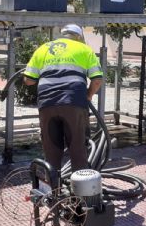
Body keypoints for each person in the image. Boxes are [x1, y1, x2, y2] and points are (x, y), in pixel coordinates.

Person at [23, 24, 103, 172]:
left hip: (47, 104)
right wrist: (88, 95)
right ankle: (79, 193)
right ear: (79, 37)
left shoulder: (43, 49)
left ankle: (53, 191)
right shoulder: (84, 49)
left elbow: (29, 80)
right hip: (73, 102)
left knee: (52, 151)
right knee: (78, 149)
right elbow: (97, 80)